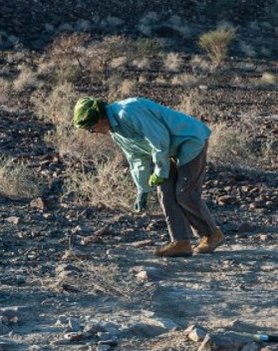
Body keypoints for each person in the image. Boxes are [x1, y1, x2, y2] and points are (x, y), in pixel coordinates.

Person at [72, 97, 225, 258]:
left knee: (185, 194)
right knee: (165, 193)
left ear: (100, 117)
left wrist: (159, 171)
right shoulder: (116, 132)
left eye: (91, 128)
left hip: (189, 140)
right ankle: (181, 242)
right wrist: (142, 189)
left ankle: (212, 234)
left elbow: (159, 139)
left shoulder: (128, 113)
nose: (93, 133)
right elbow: (136, 158)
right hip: (168, 150)